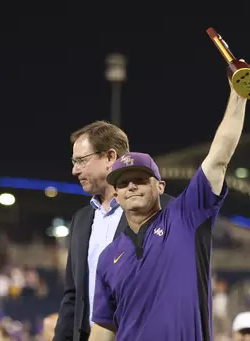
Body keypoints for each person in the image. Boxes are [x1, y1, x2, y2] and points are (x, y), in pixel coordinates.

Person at [89, 78, 248, 340]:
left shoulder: (186, 218)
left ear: (160, 187)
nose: (131, 186)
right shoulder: (108, 257)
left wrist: (238, 96)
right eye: (123, 183)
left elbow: (219, 158)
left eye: (140, 179)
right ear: (115, 194)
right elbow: (104, 327)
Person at [53, 121, 173, 341]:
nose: (74, 169)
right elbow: (73, 296)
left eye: (81, 160)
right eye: (74, 161)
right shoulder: (81, 220)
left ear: (110, 157)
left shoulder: (165, 213)